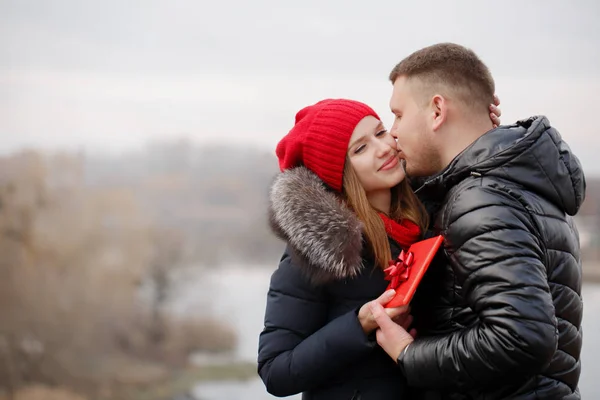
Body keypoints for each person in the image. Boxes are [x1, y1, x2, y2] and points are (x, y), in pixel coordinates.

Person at [370, 42, 585, 400]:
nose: (393, 131)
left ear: (437, 110)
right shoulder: (513, 183)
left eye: (398, 115)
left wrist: (408, 353)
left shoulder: (481, 199)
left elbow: (521, 337)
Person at [257, 98, 501, 399]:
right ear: (338, 174)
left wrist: (477, 129)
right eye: (360, 148)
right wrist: (360, 323)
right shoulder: (318, 252)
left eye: (381, 132)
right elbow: (275, 372)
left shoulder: (434, 213)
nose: (384, 148)